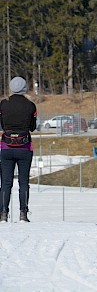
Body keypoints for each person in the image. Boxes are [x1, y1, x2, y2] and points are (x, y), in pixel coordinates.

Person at [0, 77, 37, 222]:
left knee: (6, 183)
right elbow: (32, 128)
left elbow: (2, 125)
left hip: (6, 147)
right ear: (24, 88)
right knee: (23, 182)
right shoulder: (30, 105)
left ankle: (3, 213)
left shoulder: (3, 104)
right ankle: (23, 214)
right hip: (25, 148)